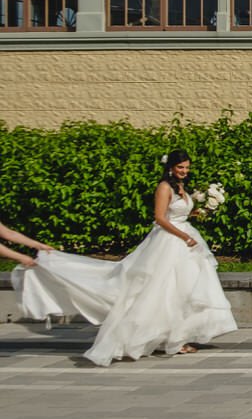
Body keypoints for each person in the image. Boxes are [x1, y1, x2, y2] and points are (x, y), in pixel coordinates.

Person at [14, 151, 237, 365]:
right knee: (160, 289)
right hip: (169, 241)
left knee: (183, 289)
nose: (184, 171)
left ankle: (176, 336)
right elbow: (159, 218)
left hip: (184, 239)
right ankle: (164, 338)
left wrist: (197, 212)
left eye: (187, 167)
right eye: (180, 167)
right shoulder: (164, 187)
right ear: (170, 167)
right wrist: (183, 236)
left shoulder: (181, 187)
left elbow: (177, 213)